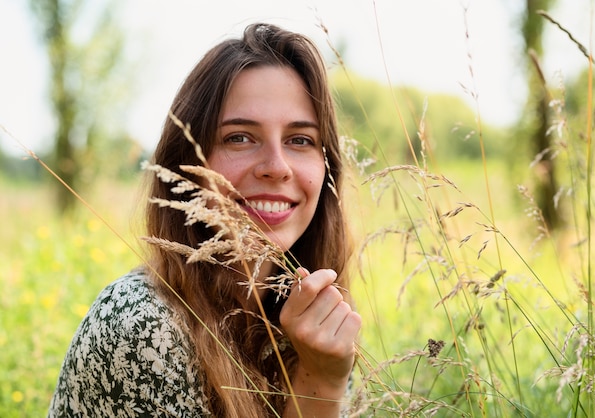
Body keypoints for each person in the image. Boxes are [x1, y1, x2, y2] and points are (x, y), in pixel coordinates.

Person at [48, 22, 361, 417]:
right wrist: (321, 383)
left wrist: (325, 373)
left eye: (300, 140)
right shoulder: (142, 327)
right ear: (187, 166)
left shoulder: (316, 320)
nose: (277, 167)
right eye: (239, 137)